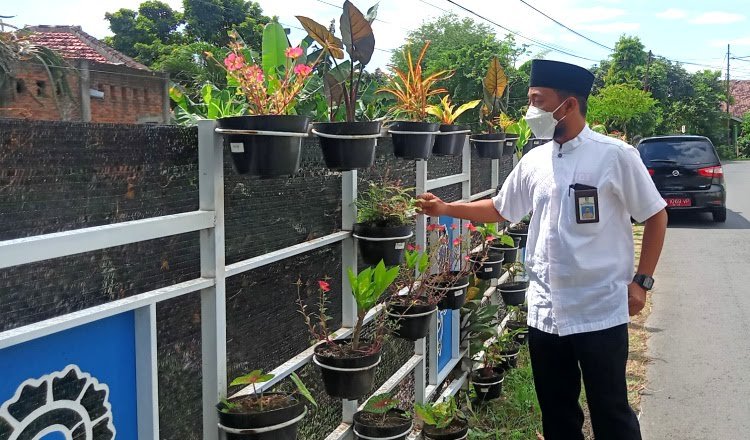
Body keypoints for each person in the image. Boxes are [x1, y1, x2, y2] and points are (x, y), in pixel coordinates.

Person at [417, 59, 668, 440]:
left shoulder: (615, 155)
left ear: (567, 105)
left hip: (599, 307)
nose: (530, 110)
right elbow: (502, 209)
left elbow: (655, 215)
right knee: (557, 412)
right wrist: (446, 208)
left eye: (537, 100)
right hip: (546, 311)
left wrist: (642, 282)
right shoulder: (535, 159)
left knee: (610, 410)